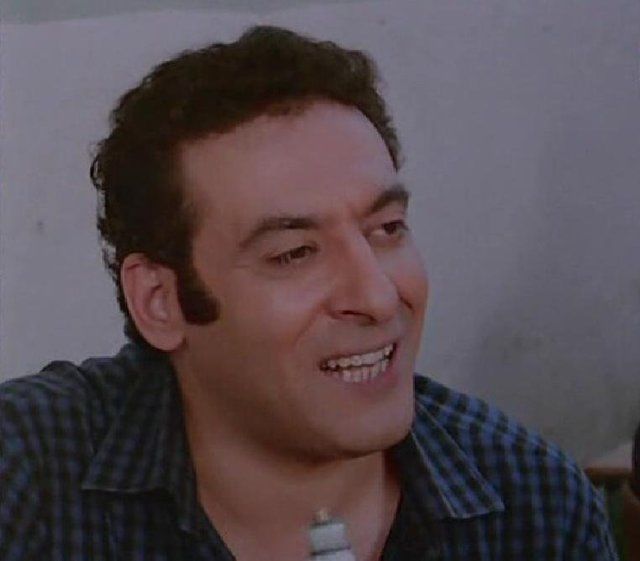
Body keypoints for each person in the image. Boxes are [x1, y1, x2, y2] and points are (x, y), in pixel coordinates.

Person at [0, 25, 618, 561]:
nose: (378, 297)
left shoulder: (536, 506)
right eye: (294, 253)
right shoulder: (25, 476)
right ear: (160, 301)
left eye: (387, 229)